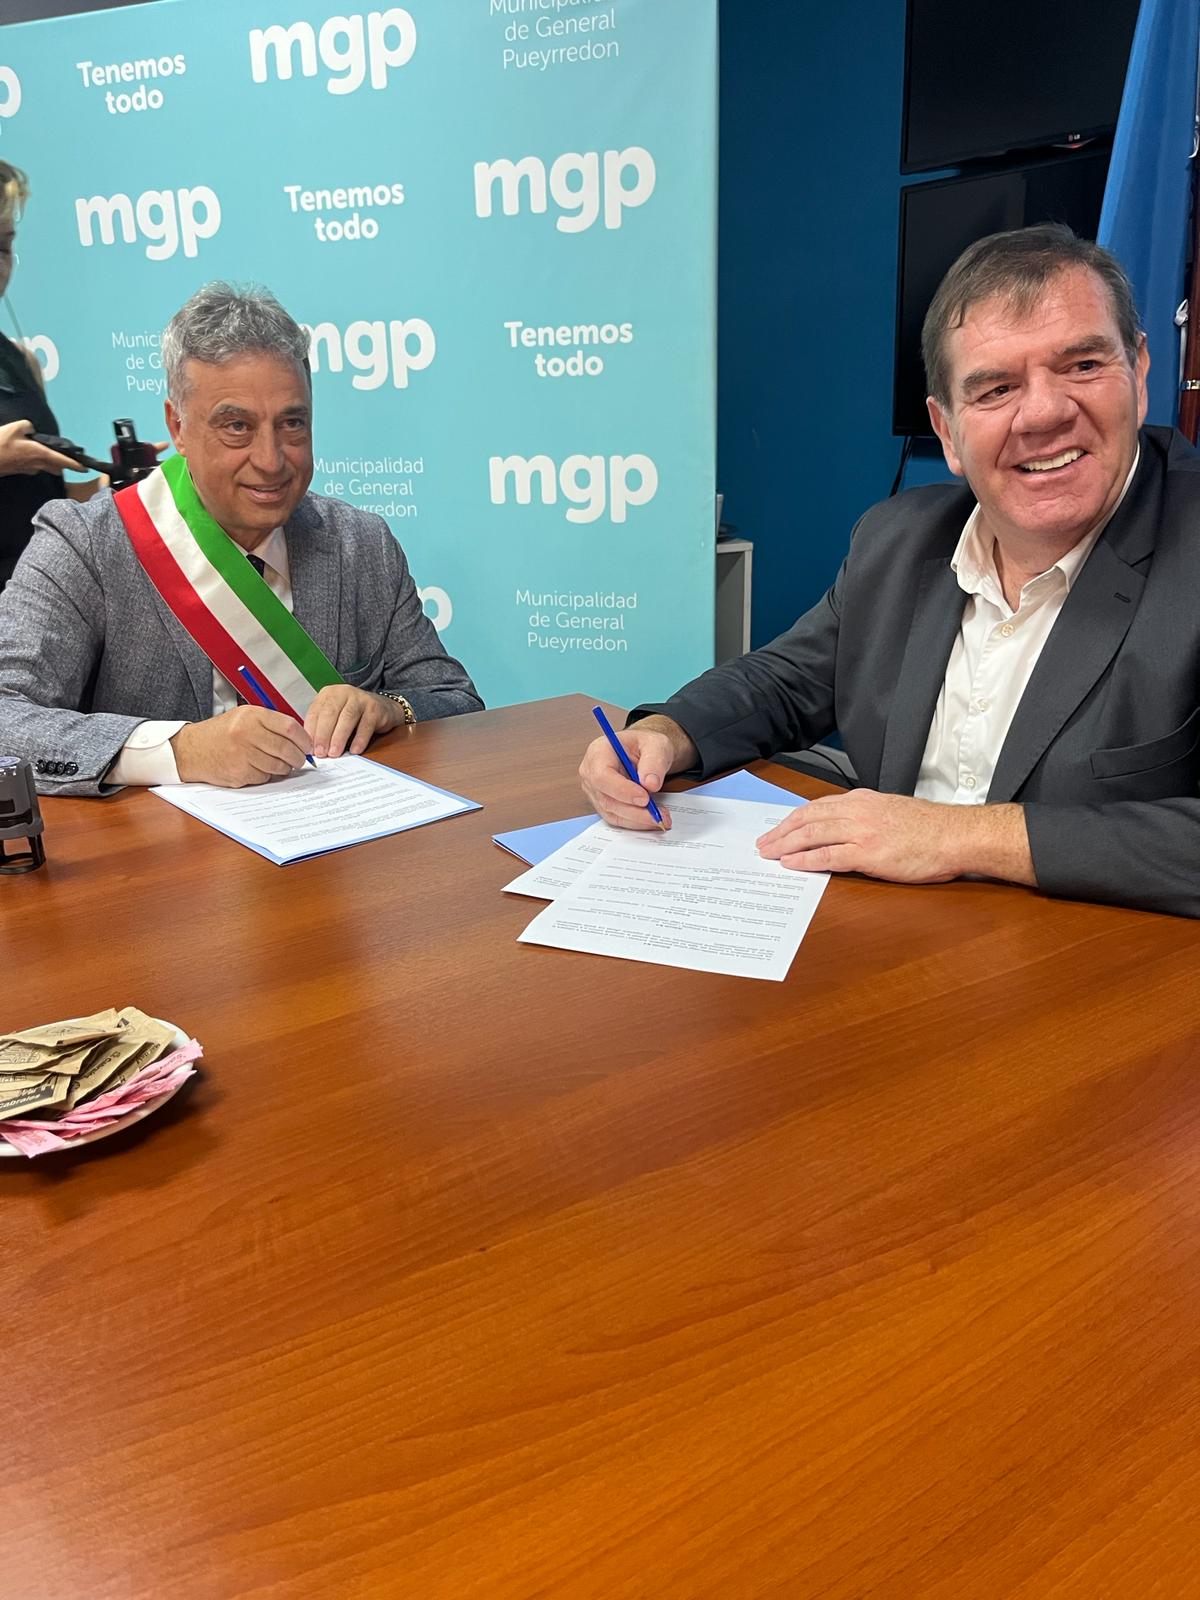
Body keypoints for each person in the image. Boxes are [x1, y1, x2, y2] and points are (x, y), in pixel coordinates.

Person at [580, 225, 1200, 919]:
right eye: (996, 389)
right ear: (947, 430)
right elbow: (785, 681)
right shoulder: (899, 538)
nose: (1045, 412)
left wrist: (959, 838)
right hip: (892, 944)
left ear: (1139, 372)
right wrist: (665, 734)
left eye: (1082, 365)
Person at [0, 282, 482, 795]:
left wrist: (389, 708)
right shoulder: (83, 545)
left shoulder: (361, 544)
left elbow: (454, 699)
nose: (271, 460)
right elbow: (7, 715)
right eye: (236, 427)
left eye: (292, 423)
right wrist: (178, 749)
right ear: (178, 426)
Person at [0, 160, 90, 589]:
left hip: (38, 601)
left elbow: (42, 504)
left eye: (4, 247)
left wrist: (108, 489)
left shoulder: (21, 361)